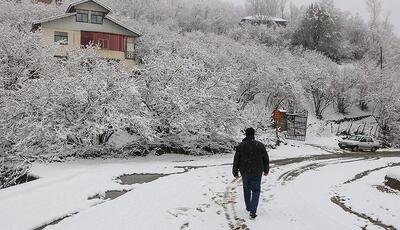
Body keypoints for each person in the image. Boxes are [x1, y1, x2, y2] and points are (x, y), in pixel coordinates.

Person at [232, 127, 270, 219]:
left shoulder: (241, 146)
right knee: (256, 190)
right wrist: (266, 170)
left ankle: (248, 206)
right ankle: (253, 211)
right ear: (254, 134)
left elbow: (236, 159)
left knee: (246, 189)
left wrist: (235, 172)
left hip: (245, 172)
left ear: (246, 134)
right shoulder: (260, 145)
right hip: (257, 171)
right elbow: (266, 159)